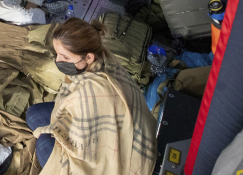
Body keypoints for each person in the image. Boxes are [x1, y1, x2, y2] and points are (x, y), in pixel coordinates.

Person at [26, 18, 157, 173]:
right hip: (118, 128)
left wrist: (58, 132)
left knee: (42, 144)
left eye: (65, 57)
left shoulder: (91, 93)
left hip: (128, 160)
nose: (58, 60)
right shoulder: (103, 56)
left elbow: (85, 149)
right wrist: (58, 128)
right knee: (33, 115)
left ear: (88, 57)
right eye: (57, 54)